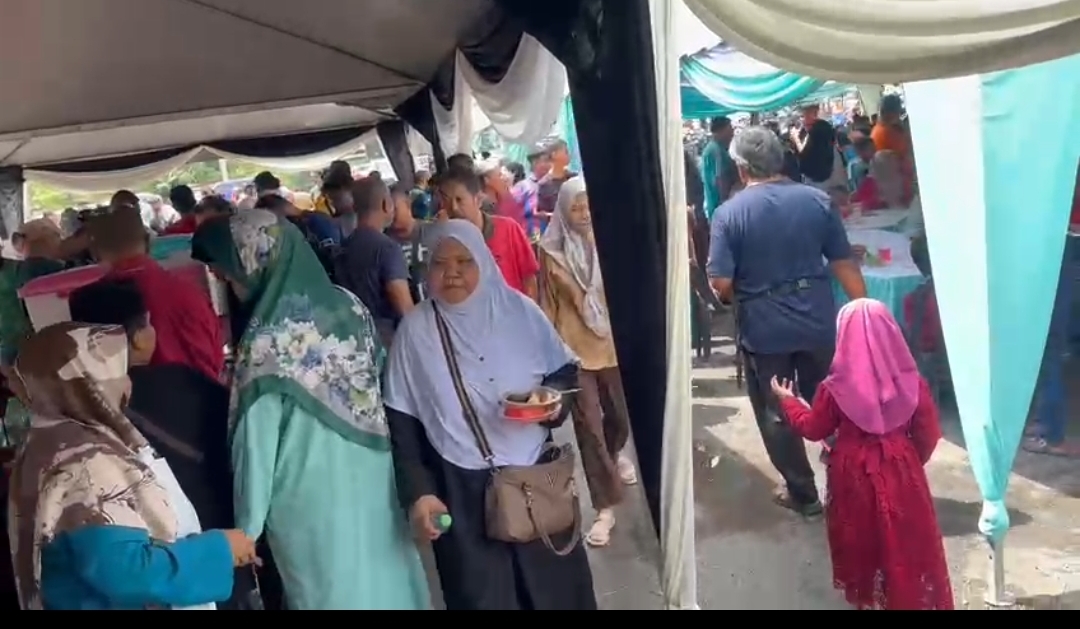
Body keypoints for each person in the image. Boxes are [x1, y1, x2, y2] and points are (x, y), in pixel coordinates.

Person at [190, 210, 428, 610]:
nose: (228, 283)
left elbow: (256, 444)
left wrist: (247, 528)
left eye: (228, 273)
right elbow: (385, 385)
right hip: (375, 479)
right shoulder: (350, 307)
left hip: (308, 497)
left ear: (257, 262)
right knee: (387, 582)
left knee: (332, 593)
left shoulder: (266, 342)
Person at [384, 219, 597, 610]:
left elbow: (564, 371)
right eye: (439, 263)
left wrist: (551, 403)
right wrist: (421, 492)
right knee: (483, 596)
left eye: (464, 261)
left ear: (483, 262)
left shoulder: (520, 312)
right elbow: (402, 424)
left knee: (557, 593)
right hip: (461, 492)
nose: (451, 273)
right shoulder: (413, 334)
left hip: (534, 479)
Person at [7, 322, 257, 610]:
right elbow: (126, 573)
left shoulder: (40, 447)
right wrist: (221, 550)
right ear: (88, 384)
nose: (128, 384)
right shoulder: (86, 461)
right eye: (119, 372)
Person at [67, 279, 263, 608]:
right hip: (219, 552)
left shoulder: (74, 420)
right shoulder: (183, 383)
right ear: (140, 338)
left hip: (149, 569)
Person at [708, 126, 867, 517]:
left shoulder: (728, 214)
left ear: (742, 168)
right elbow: (844, 263)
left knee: (778, 414)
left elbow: (721, 285)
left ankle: (804, 495)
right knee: (831, 403)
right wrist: (866, 313)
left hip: (765, 331)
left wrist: (739, 291)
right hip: (817, 322)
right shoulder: (817, 200)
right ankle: (852, 480)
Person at [772, 298, 953, 610]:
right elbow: (928, 434)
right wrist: (906, 462)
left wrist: (789, 402)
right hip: (901, 471)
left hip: (852, 476)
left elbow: (813, 428)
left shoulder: (835, 389)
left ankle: (871, 600)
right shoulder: (912, 383)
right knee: (904, 543)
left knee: (863, 543)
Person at [538, 178, 637, 547]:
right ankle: (605, 507)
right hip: (574, 352)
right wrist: (549, 357)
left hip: (612, 346)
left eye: (587, 206)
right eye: (575, 208)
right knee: (589, 428)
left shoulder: (610, 243)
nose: (582, 214)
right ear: (563, 211)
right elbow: (547, 304)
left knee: (621, 417)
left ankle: (613, 455)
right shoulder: (550, 252)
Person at [88, 207, 224, 381]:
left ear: (94, 252)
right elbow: (215, 356)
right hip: (202, 394)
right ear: (148, 242)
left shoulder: (89, 304)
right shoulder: (189, 292)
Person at [336, 177, 415, 345]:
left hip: (354, 339)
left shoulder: (342, 248)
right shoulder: (387, 248)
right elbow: (405, 310)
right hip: (388, 341)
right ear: (386, 204)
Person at [437, 169, 539, 299]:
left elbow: (529, 278)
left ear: (478, 200)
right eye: (446, 201)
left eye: (459, 200)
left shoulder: (508, 228)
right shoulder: (445, 241)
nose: (454, 208)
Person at [387, 183, 435, 303]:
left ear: (408, 204)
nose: (391, 214)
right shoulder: (384, 243)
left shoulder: (433, 231)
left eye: (395, 209)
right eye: (388, 210)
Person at [700, 117, 740, 220]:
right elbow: (720, 180)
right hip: (719, 208)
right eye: (729, 129)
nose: (732, 134)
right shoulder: (715, 151)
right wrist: (726, 206)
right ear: (721, 131)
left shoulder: (715, 149)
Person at [479, 158, 528, 232]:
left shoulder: (506, 198)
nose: (504, 177)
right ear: (487, 180)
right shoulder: (481, 206)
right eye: (499, 175)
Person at [537, 139, 578, 220]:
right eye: (566, 152)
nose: (569, 155)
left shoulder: (574, 178)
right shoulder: (544, 184)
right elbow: (542, 212)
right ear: (554, 154)